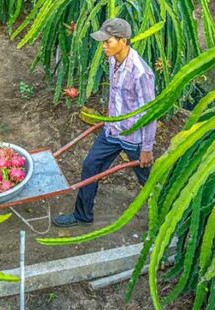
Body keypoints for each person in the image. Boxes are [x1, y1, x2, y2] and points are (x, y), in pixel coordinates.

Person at [53, 17, 156, 227]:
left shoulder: (141, 73)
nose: (103, 46)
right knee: (90, 166)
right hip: (112, 131)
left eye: (108, 42)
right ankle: (82, 215)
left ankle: (162, 218)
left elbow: (150, 113)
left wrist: (146, 148)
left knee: (148, 181)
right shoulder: (113, 60)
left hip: (133, 136)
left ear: (124, 41)